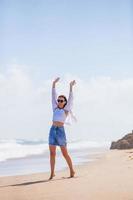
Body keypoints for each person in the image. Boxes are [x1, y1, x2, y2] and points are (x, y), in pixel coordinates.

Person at [48, 77, 76, 180]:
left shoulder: (66, 110)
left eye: (61, 100)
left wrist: (70, 87)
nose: (59, 101)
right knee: (52, 153)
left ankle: (72, 170)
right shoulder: (54, 108)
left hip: (60, 132)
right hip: (52, 130)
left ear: (65, 102)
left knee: (64, 153)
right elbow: (52, 96)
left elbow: (71, 98)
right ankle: (52, 173)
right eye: (58, 100)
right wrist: (53, 84)